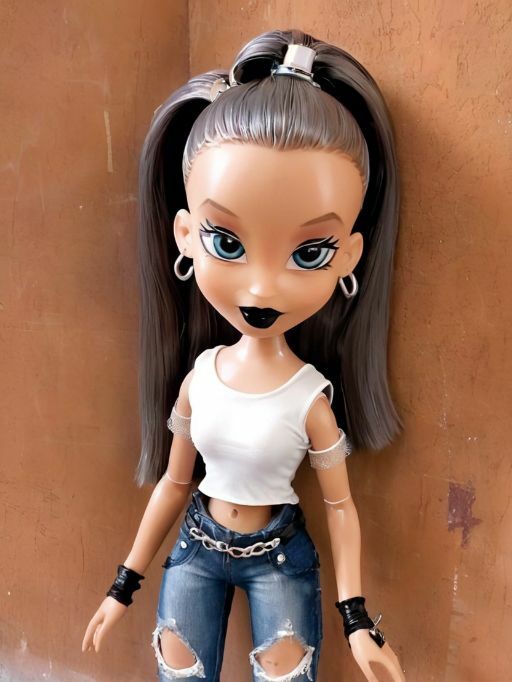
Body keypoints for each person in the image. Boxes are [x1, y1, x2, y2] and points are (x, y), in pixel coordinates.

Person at [82, 28, 406, 681]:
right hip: (195, 549)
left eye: (309, 253)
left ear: (349, 257)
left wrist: (357, 619)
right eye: (226, 242)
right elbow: (175, 482)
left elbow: (340, 506)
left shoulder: (310, 399)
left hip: (279, 559)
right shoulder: (200, 379)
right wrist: (123, 585)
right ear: (185, 234)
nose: (260, 290)